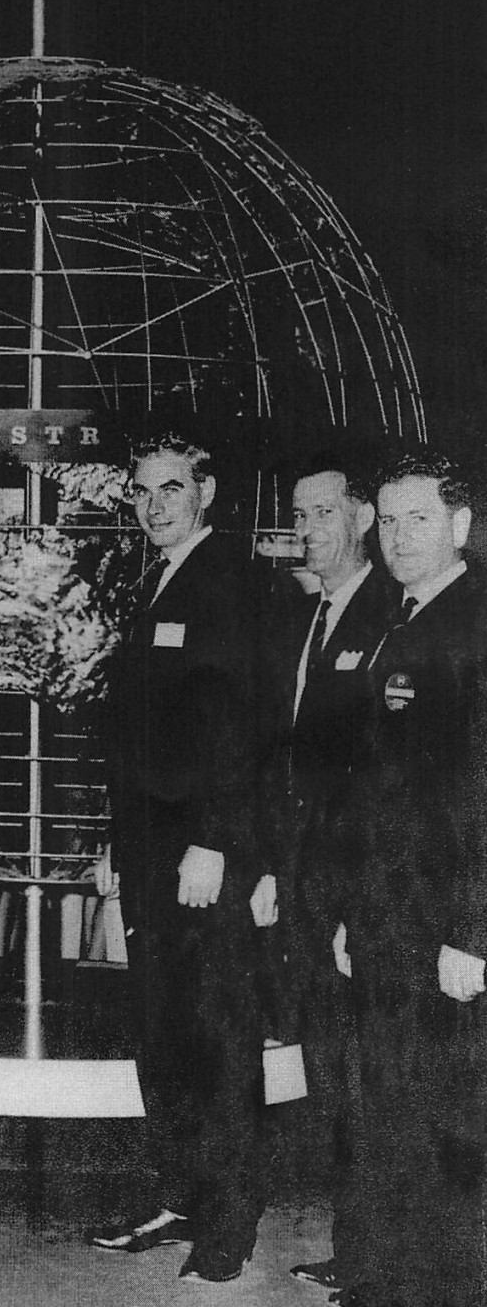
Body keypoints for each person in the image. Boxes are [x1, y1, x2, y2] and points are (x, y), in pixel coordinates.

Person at [87, 432, 265, 1284]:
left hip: (199, 859)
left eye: (171, 489)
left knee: (216, 1040)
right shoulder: (155, 581)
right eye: (143, 491)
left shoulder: (229, 581)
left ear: (207, 491)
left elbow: (241, 728)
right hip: (150, 855)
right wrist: (113, 845)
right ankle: (179, 1192)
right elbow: (136, 733)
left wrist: (216, 840)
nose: (154, 505)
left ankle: (228, 1224)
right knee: (161, 1032)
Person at [330, 452, 487, 1307]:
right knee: (384, 1112)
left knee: (447, 1127)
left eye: (417, 518)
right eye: (387, 520)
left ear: (460, 526)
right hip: (389, 919)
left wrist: (474, 930)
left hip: (446, 931)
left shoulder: (471, 624)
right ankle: (381, 1283)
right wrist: (356, 916)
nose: (396, 536)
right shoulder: (401, 619)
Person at [251, 455, 394, 1294]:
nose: (307, 529)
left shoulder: (387, 616)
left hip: (353, 895)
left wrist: (344, 903)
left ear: (364, 517)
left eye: (324, 513)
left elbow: (372, 779)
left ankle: (380, 1258)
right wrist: (274, 867)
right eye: (298, 514)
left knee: (370, 1080)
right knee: (336, 1076)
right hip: (303, 884)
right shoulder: (310, 616)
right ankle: (358, 1248)